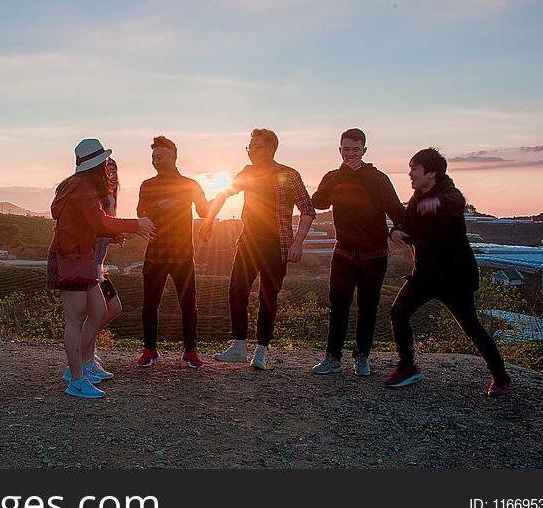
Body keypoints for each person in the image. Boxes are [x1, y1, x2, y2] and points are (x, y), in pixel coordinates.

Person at [386, 148, 512, 397]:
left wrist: (438, 202)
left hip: (454, 277)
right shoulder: (416, 197)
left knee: (471, 327)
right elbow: (410, 228)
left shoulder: (448, 193)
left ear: (431, 173)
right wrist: (395, 232)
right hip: (424, 275)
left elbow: (457, 202)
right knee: (398, 313)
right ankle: (407, 366)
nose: (409, 173)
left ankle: (500, 376)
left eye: (414, 168)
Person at [200, 128, 316, 369]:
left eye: (256, 147)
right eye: (249, 147)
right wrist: (209, 220)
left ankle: (261, 351)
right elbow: (224, 193)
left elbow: (307, 208)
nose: (251, 152)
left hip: (278, 245)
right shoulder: (248, 173)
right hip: (248, 244)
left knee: (267, 298)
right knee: (236, 292)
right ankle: (239, 346)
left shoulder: (288, 174)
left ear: (271, 149)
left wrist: (298, 241)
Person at [48, 138, 155, 399]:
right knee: (74, 320)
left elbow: (93, 223)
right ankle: (75, 380)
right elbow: (99, 222)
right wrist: (135, 224)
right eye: (106, 164)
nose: (108, 169)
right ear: (98, 166)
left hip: (79, 257)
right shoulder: (83, 187)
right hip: (70, 258)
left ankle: (83, 367)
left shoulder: (75, 185)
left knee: (98, 310)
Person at [311, 128, 405, 377]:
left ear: (364, 150)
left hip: (374, 255)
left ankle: (362, 357)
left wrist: (397, 232)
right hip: (342, 253)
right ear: (339, 150)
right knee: (338, 306)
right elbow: (318, 202)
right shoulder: (333, 176)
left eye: (355, 149)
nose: (350, 154)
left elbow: (397, 211)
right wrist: (339, 176)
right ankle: (333, 357)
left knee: (368, 308)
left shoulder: (378, 178)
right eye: (345, 149)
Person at [136, 136, 211, 369]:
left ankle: (190, 350)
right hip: (155, 254)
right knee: (149, 304)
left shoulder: (189, 185)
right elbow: (140, 213)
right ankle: (150, 349)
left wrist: (217, 203)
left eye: (159, 156)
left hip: (183, 255)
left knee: (188, 305)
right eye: (153, 157)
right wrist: (159, 205)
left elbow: (204, 210)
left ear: (173, 156)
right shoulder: (147, 185)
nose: (155, 161)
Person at [91, 156, 126, 367]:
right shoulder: (97, 197)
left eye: (114, 170)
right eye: (107, 170)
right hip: (90, 264)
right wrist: (128, 228)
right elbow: (98, 225)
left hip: (98, 265)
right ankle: (84, 360)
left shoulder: (111, 196)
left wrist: (114, 235)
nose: (111, 174)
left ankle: (87, 355)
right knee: (101, 311)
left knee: (111, 309)